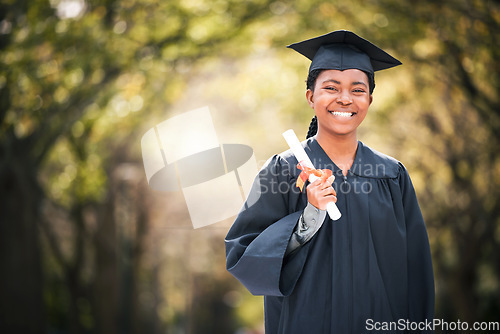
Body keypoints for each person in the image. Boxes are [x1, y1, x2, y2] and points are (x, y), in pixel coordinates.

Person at [225, 30, 435, 334]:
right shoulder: (283, 171)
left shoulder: (392, 175)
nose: (345, 98)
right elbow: (243, 255)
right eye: (331, 87)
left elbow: (417, 271)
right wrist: (308, 218)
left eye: (357, 90)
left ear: (370, 100)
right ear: (311, 97)